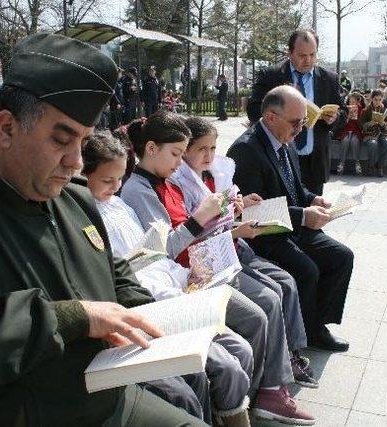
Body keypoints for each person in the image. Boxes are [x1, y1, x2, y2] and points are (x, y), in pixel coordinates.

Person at [0, 33, 208, 427]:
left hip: (109, 402)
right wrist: (74, 317)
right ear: (6, 128)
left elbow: (115, 277)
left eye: (84, 142)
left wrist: (164, 318)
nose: (75, 162)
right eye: (61, 140)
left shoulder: (75, 199)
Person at [120, 111, 316, 425]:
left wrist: (225, 212)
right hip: (185, 280)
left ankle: (253, 395)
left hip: (204, 265)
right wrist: (204, 216)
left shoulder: (166, 181)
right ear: (151, 149)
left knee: (274, 293)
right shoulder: (138, 191)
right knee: (258, 311)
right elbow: (161, 251)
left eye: (183, 155)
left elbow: (187, 231)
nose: (179, 163)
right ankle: (251, 399)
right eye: (175, 154)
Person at [83, 131, 255, 426]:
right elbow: (127, 274)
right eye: (107, 181)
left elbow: (153, 252)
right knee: (219, 367)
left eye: (119, 179)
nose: (116, 187)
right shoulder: (90, 211)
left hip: (173, 282)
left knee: (241, 348)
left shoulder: (119, 203)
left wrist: (187, 276)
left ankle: (236, 410)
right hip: (153, 300)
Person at [170, 116, 316, 388]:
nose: (209, 155)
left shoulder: (214, 175)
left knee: (286, 281)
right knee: (270, 299)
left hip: (233, 247)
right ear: (185, 150)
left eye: (213, 148)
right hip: (215, 260)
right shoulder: (181, 183)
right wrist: (236, 229)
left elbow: (220, 217)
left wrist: (240, 207)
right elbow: (194, 236)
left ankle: (291, 352)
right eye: (201, 149)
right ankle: (272, 382)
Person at [228, 85, 353, 352]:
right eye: (296, 122)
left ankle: (316, 326)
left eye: (304, 121)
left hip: (292, 224)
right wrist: (304, 216)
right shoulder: (246, 150)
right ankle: (302, 336)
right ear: (271, 117)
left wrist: (311, 199)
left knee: (342, 256)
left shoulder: (284, 138)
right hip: (266, 234)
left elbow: (294, 186)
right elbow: (253, 212)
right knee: (307, 270)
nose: (301, 128)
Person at [247, 29, 346, 196]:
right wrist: (282, 111)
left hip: (314, 162)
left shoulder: (329, 78)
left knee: (313, 215)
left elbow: (342, 112)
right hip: (279, 158)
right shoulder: (271, 76)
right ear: (289, 53)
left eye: (312, 55)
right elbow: (254, 109)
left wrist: (334, 118)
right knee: (282, 215)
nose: (308, 61)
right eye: (302, 55)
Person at [359, 89, 387, 177]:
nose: (377, 102)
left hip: (383, 133)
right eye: (375, 99)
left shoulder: (384, 109)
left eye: (380, 100)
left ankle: (380, 166)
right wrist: (369, 123)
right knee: (372, 144)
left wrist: (383, 123)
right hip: (370, 134)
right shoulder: (366, 110)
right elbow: (360, 124)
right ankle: (371, 165)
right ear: (372, 99)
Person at [334, 92, 365, 175]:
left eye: (354, 102)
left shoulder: (362, 110)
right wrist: (348, 117)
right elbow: (341, 124)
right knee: (345, 141)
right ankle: (341, 163)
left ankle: (357, 162)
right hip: (346, 131)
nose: (351, 104)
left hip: (356, 131)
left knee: (354, 141)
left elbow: (362, 126)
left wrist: (356, 118)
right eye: (350, 102)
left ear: (358, 102)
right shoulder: (345, 110)